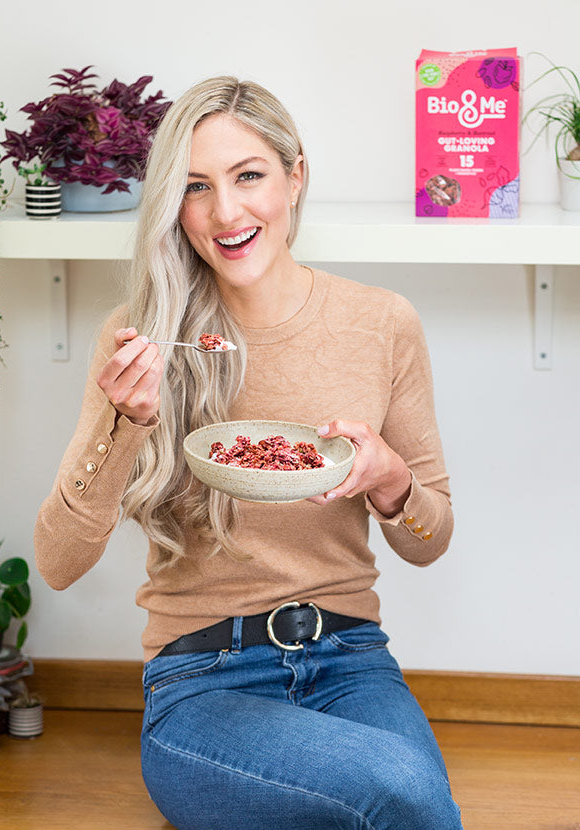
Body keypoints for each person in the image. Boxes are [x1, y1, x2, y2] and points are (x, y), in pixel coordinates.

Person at [34, 76, 463, 830]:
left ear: (295, 178)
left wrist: (391, 480)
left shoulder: (383, 324)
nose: (226, 213)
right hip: (203, 680)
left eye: (249, 176)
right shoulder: (144, 335)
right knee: (403, 789)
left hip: (351, 660)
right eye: (196, 187)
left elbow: (431, 541)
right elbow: (57, 562)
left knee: (408, 801)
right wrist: (125, 423)